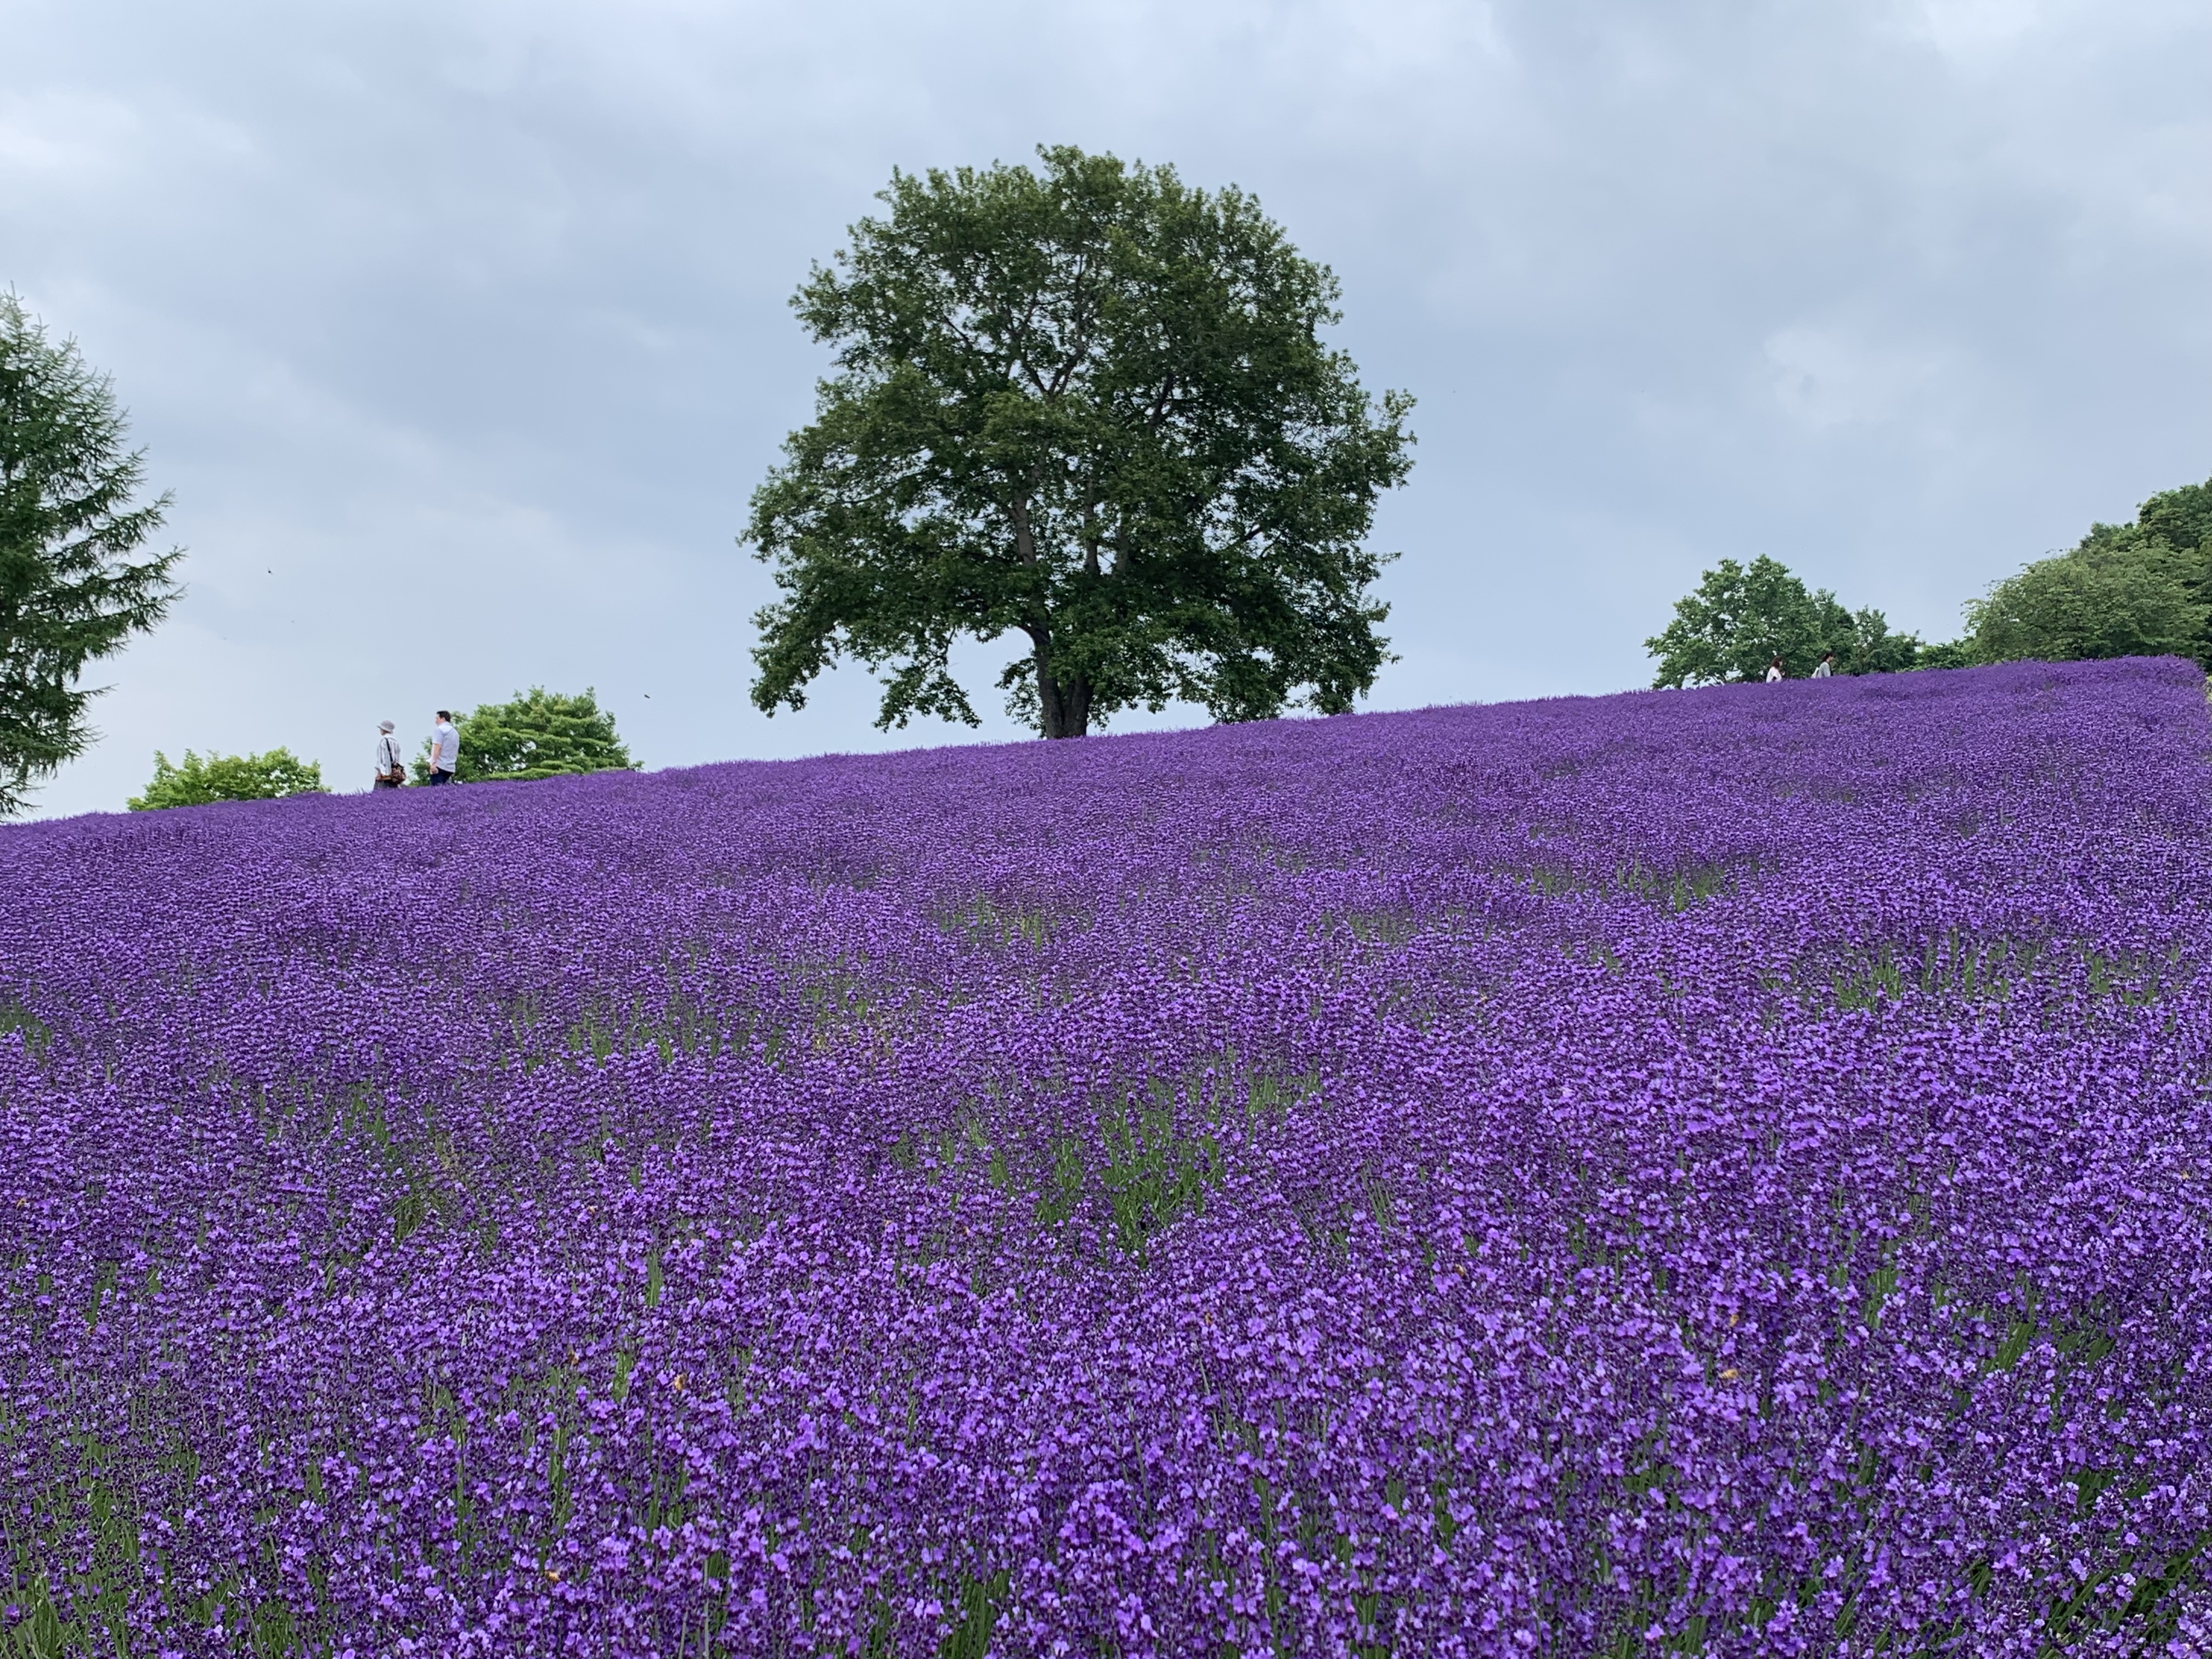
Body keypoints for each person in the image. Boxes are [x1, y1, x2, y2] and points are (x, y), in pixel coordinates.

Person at [426, 710, 460, 785]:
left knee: (436, 791)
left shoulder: (440, 730)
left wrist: (434, 763)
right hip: (450, 766)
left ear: (443, 719)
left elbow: (438, 747)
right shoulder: (455, 732)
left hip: (440, 765)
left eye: (437, 719)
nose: (436, 721)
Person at [374, 720, 405, 789]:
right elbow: (397, 759)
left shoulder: (384, 741)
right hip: (395, 776)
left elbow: (382, 760)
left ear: (384, 730)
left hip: (385, 776)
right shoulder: (396, 742)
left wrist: (379, 773)